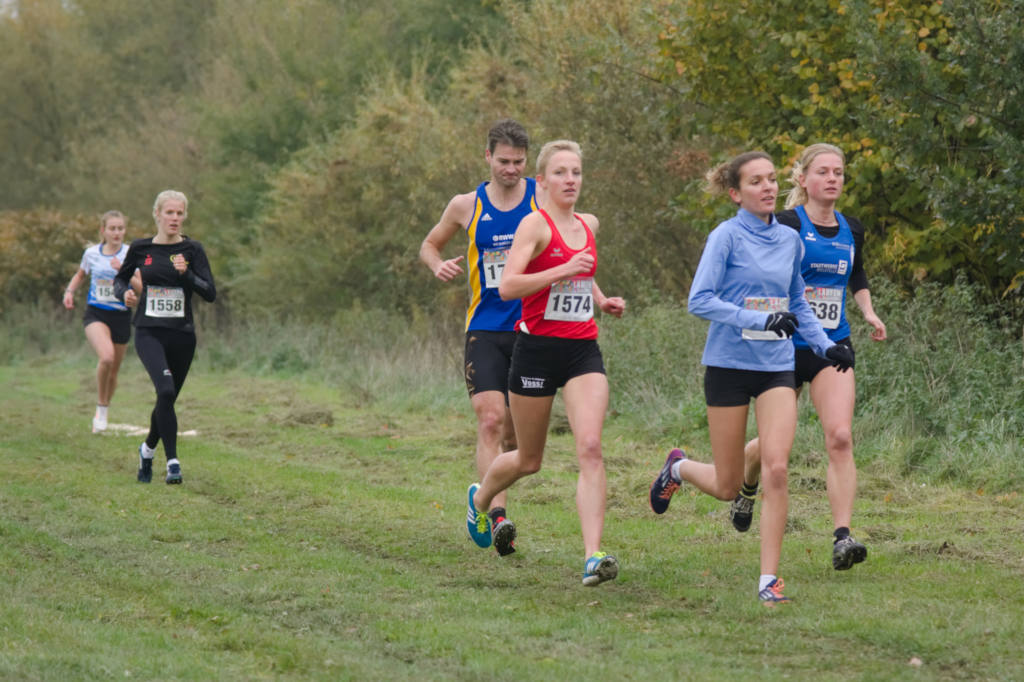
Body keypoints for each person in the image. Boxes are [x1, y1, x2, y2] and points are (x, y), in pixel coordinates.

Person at [647, 151, 854, 605]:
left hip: (775, 368)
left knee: (777, 467)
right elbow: (698, 300)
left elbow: (797, 304)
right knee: (726, 485)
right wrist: (757, 320)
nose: (767, 188)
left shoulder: (790, 241)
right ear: (736, 193)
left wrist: (825, 346)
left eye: (771, 180)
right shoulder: (725, 237)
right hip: (728, 366)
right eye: (756, 182)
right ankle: (677, 468)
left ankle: (769, 579)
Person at [465, 140, 626, 586]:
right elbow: (511, 286)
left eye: (576, 172)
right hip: (534, 351)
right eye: (561, 173)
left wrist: (601, 299)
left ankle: (594, 555)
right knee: (529, 459)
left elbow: (582, 272)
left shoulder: (588, 224)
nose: (570, 180)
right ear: (542, 181)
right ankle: (480, 501)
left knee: (590, 447)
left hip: (581, 351)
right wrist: (562, 270)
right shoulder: (534, 226)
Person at [730, 143, 887, 571]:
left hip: (831, 345)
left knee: (839, 436)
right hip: (781, 348)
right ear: (803, 179)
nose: (833, 178)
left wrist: (868, 311)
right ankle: (747, 484)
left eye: (839, 172)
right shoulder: (783, 222)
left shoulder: (851, 227)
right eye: (823, 172)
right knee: (775, 444)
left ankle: (842, 536)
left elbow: (856, 272)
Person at [420, 119, 540, 556]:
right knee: (490, 419)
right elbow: (429, 245)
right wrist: (437, 265)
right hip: (485, 329)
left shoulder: (539, 197)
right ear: (487, 157)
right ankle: (499, 517)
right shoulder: (465, 205)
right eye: (503, 161)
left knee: (515, 438)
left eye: (519, 163)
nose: (511, 169)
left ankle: (482, 497)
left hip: (530, 328)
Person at [113, 190, 216, 485]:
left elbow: (210, 293)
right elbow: (120, 279)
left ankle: (146, 450)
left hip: (182, 335)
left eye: (179, 213)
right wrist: (125, 294)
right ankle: (173, 462)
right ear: (157, 214)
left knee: (165, 398)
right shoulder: (141, 248)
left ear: (184, 216)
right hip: (149, 332)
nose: (174, 218)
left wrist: (187, 276)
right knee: (167, 391)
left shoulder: (193, 250)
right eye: (169, 212)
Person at [63, 211, 142, 433]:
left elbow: (140, 287)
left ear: (124, 231)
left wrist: (123, 272)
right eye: (112, 228)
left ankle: (104, 407)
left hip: (121, 316)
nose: (117, 233)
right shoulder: (91, 253)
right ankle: (100, 407)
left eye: (120, 228)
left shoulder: (130, 254)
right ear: (103, 231)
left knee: (114, 372)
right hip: (96, 313)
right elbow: (80, 275)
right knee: (106, 357)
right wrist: (69, 291)